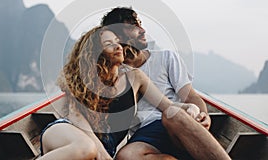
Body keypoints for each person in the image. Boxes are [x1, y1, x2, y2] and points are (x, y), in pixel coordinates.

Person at [39, 26, 200, 160]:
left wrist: (190, 107)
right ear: (96, 52)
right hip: (68, 134)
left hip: (103, 151)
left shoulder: (135, 77)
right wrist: (100, 151)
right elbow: (76, 117)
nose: (118, 46)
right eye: (109, 43)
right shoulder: (85, 80)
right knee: (86, 148)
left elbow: (167, 106)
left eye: (118, 42)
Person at [101, 7, 231, 160]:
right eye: (133, 26)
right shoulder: (116, 73)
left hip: (178, 125)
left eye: (140, 24)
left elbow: (190, 96)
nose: (142, 30)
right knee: (126, 156)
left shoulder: (166, 58)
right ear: (117, 36)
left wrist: (204, 115)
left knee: (171, 115)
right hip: (146, 134)